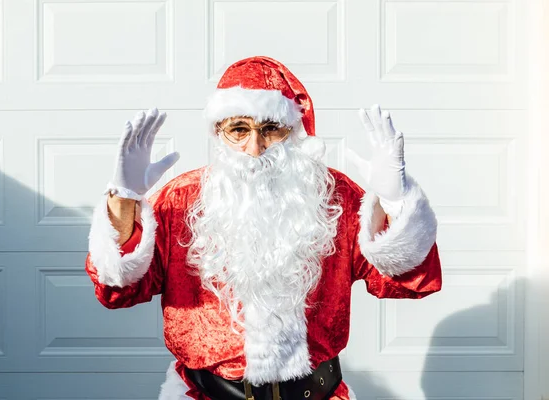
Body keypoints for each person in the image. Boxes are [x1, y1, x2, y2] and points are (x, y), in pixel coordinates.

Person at [85, 56, 442, 400]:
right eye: (238, 129)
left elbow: (411, 282)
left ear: (295, 131)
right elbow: (117, 291)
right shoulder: (180, 199)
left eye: (271, 129)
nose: (254, 147)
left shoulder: (336, 196)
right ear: (219, 133)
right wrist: (124, 199)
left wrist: (395, 201)